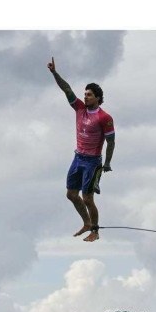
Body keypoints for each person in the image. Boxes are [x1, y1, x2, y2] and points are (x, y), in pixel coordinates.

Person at [47, 57, 115, 242]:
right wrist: (54, 73)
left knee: (87, 198)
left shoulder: (104, 117)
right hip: (78, 158)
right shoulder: (79, 108)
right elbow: (67, 89)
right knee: (71, 194)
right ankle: (86, 222)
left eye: (89, 95)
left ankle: (95, 230)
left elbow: (111, 142)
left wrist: (107, 163)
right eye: (85, 94)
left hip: (93, 162)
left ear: (98, 98)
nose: (85, 97)